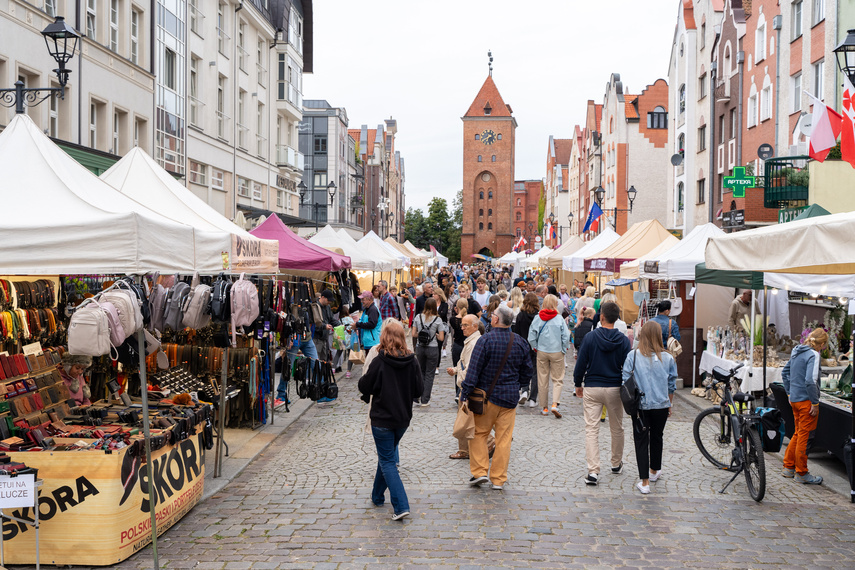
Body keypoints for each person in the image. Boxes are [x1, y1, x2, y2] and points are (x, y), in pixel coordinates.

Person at [460, 305, 533, 490]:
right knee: (504, 439)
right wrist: (517, 385)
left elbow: (473, 371)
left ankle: (480, 472)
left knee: (479, 434)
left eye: (492, 315)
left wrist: (465, 393)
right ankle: (499, 479)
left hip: (486, 398)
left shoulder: (485, 341)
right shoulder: (520, 342)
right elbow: (527, 372)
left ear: (495, 320)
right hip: (509, 398)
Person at [358, 320, 424, 521]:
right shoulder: (412, 361)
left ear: (384, 338)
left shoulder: (380, 360)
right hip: (402, 419)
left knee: (387, 461)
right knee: (386, 457)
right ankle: (377, 496)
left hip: (382, 419)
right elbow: (419, 390)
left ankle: (401, 505)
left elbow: (364, 386)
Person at [573, 301, 632, 485]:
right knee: (617, 427)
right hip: (614, 387)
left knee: (591, 429)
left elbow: (581, 363)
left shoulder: (591, 338)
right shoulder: (623, 340)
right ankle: (616, 463)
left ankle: (593, 471)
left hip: (593, 386)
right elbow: (628, 367)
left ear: (602, 316)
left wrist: (577, 383)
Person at [622, 321, 677, 494]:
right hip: (661, 404)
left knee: (641, 440)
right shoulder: (667, 358)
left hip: (640, 405)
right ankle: (654, 470)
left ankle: (645, 481)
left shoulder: (634, 355)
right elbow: (671, 384)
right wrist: (669, 403)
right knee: (657, 436)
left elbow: (625, 379)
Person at [781, 328, 828, 485]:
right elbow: (810, 380)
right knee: (804, 436)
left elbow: (784, 372)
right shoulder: (813, 355)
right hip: (806, 401)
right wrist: (815, 402)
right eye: (824, 345)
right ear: (821, 344)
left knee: (798, 433)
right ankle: (801, 472)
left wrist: (789, 393)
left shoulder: (797, 350)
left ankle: (788, 467)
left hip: (795, 399)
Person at [446, 314, 494, 459]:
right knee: (467, 418)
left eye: (465, 325)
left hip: (468, 386)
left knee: (467, 419)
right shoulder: (472, 341)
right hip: (467, 384)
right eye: (462, 325)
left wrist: (465, 386)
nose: (462, 328)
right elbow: (464, 363)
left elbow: (471, 367)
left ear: (475, 326)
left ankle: (490, 442)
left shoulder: (474, 343)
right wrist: (455, 370)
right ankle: (464, 449)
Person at [527, 294, 571, 418]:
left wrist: (535, 347)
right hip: (556, 351)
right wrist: (564, 348)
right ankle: (554, 404)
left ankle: (544, 407)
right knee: (557, 379)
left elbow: (531, 336)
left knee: (542, 379)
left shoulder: (538, 318)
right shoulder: (559, 319)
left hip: (542, 351)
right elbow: (565, 336)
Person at [412, 297, 445, 406]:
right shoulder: (438, 320)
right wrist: (434, 335)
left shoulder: (418, 317)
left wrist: (421, 335)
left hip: (420, 347)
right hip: (432, 348)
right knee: (430, 374)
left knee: (420, 372)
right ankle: (425, 400)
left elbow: (413, 334)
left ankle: (416, 396)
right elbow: (441, 338)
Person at [513, 292, 540, 407]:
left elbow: (516, 332)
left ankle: (524, 390)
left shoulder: (520, 315)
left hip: (522, 345)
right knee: (535, 371)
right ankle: (533, 398)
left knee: (523, 369)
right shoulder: (538, 316)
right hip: (535, 346)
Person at [351, 290, 381, 378]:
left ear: (368, 299)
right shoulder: (366, 310)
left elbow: (372, 324)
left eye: (363, 299)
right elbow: (362, 321)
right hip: (369, 341)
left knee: (372, 364)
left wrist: (357, 324)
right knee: (370, 363)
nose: (362, 301)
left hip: (373, 341)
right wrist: (356, 325)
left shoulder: (373, 309)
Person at [433, 288, 449, 360]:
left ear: (439, 295)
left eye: (434, 294)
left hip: (441, 327)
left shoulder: (444, 304)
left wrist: (435, 315)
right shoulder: (432, 303)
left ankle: (437, 366)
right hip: (432, 327)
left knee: (439, 346)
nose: (433, 295)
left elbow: (443, 314)